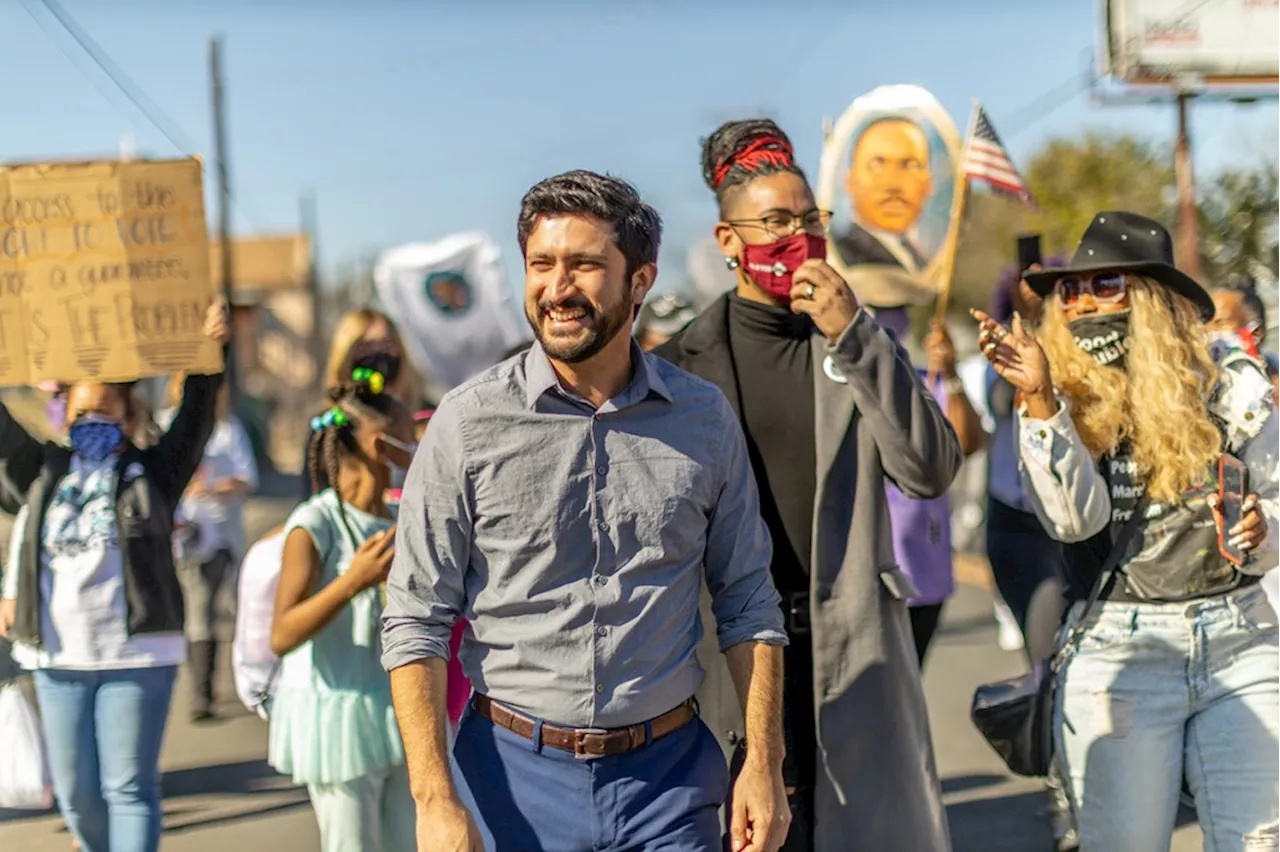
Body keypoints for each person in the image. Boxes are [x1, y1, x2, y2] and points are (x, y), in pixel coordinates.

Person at [382, 170, 791, 852]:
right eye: (541, 264)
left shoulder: (704, 420)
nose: (557, 288)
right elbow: (417, 619)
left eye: (585, 265)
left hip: (670, 785)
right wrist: (433, 798)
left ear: (640, 280)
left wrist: (764, 765)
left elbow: (749, 602)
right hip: (507, 780)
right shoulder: (466, 423)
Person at [657, 119, 961, 851]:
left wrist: (854, 333)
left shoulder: (854, 341)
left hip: (851, 642)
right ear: (728, 240)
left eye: (808, 220)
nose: (797, 236)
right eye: (774, 222)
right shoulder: (679, 368)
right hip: (734, 656)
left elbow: (929, 468)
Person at [975, 211, 1280, 850]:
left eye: (1105, 283)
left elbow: (1275, 508)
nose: (1084, 302)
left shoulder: (1230, 389)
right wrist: (1040, 403)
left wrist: (1263, 526)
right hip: (1122, 650)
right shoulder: (1060, 399)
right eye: (1072, 289)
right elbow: (1071, 519)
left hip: (1242, 639)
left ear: (1152, 295)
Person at [0, 302, 229, 852]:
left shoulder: (155, 472)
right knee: (77, 794)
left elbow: (196, 415)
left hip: (137, 655)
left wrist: (211, 354)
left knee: (128, 787)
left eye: (105, 413)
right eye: (80, 415)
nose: (91, 424)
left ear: (128, 417)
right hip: (58, 657)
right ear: (64, 419)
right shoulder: (43, 471)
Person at [269, 377, 417, 852]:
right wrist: (353, 581)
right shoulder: (314, 524)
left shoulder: (400, 517)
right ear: (381, 445)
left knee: (408, 840)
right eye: (406, 429)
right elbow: (282, 633)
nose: (415, 438)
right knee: (352, 843)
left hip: (396, 704)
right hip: (337, 714)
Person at [160, 376, 259, 722]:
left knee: (205, 612)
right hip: (173, 540)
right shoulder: (162, 427)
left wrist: (212, 486)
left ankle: (202, 693)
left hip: (216, 538)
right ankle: (195, 686)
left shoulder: (228, 431)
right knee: (187, 615)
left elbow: (247, 479)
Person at [1208, 279, 1280, 615]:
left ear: (1255, 331)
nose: (1209, 331)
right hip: (1248, 565)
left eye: (1220, 321)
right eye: (1204, 320)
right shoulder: (1213, 393)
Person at [304, 309, 423, 498]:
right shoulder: (329, 422)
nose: (379, 353)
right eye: (366, 345)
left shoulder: (428, 412)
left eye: (386, 343)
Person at [834, 117, 934, 274]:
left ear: (929, 183)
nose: (892, 184)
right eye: (877, 165)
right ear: (850, 181)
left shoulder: (924, 261)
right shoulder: (842, 255)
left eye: (909, 165)